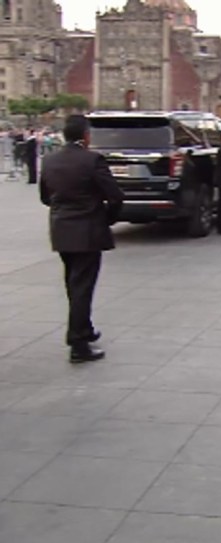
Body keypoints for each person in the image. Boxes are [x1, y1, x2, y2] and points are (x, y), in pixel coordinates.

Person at [38, 115, 124, 363]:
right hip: (88, 230)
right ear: (86, 136)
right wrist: (107, 218)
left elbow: (45, 196)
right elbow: (115, 196)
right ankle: (78, 344)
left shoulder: (50, 160)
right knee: (83, 287)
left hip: (61, 228)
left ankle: (84, 328)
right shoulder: (92, 160)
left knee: (74, 283)